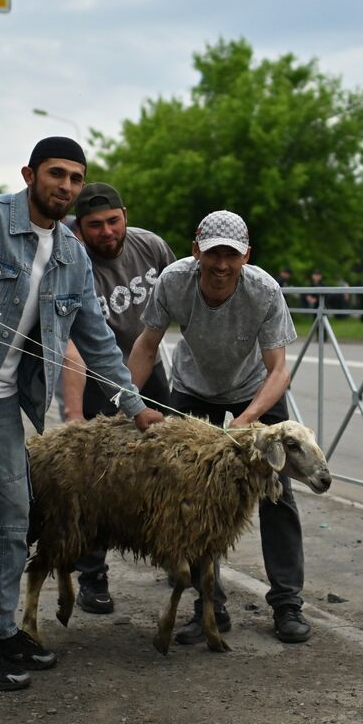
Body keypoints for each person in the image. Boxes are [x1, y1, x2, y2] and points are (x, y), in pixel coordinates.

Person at [0, 137, 165, 692]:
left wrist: (137, 409)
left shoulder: (71, 253)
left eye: (75, 178)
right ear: (30, 174)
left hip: (3, 401)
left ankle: (1, 632)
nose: (65, 186)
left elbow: (99, 341)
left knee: (14, 520)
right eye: (56, 174)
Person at [128, 209, 308, 644]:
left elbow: (279, 370)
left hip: (255, 390)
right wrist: (128, 403)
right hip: (194, 386)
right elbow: (147, 344)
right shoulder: (173, 281)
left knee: (276, 491)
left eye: (231, 255)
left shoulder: (264, 290)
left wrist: (247, 423)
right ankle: (209, 605)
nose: (221, 265)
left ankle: (287, 604)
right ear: (196, 251)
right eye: (213, 255)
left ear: (246, 256)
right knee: (190, 498)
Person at [57, 181, 176, 615]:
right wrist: (73, 413)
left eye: (113, 221)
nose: (106, 232)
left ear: (125, 214)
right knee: (95, 480)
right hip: (91, 374)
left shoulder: (152, 247)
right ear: (79, 227)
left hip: (150, 367)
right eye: (95, 225)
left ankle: (174, 557)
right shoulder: (68, 260)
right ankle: (92, 576)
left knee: (169, 463)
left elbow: (179, 305)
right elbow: (68, 344)